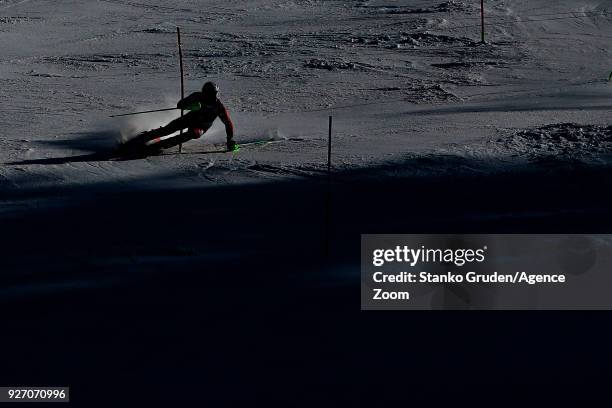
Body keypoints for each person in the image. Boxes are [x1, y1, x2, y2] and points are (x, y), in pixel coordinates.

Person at [125, 81, 236, 153]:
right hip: (189, 118)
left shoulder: (218, 107)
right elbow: (180, 104)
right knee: (169, 129)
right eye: (208, 93)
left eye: (213, 94)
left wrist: (230, 139)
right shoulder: (197, 96)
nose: (210, 96)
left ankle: (159, 146)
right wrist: (189, 106)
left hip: (201, 126)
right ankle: (145, 137)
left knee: (194, 133)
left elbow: (228, 123)